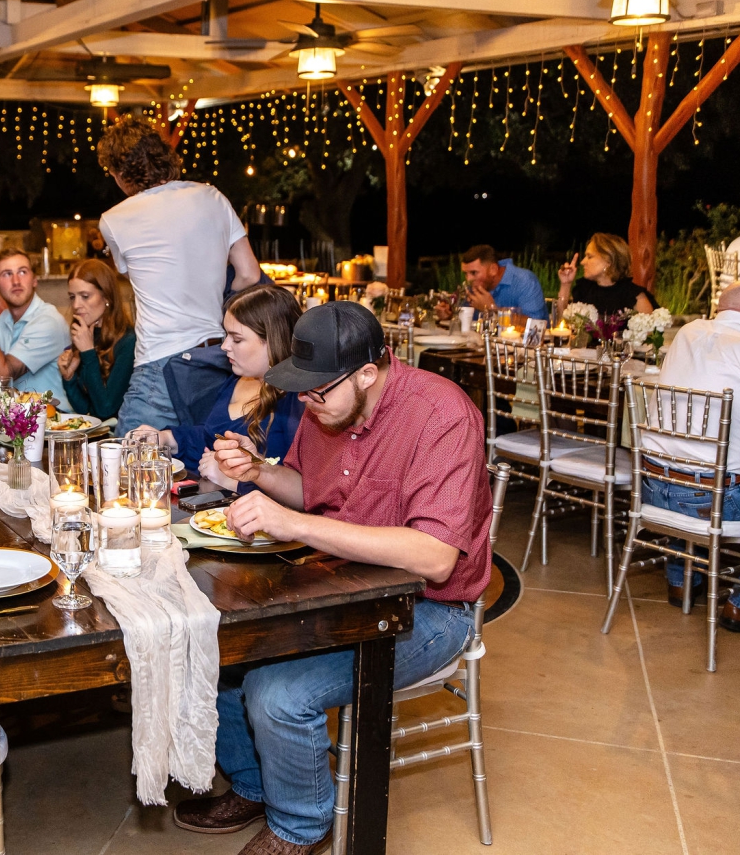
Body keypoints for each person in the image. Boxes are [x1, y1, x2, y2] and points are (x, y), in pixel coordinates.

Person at [176, 301, 492, 855]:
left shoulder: (442, 415)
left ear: (368, 373)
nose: (307, 402)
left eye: (318, 391)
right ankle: (256, 784)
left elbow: (437, 556)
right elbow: (310, 489)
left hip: (431, 609)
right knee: (216, 646)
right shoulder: (331, 405)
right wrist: (258, 474)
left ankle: (301, 826)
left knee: (276, 693)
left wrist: (294, 524)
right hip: (340, 584)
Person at [96, 116, 261, 435]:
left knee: (126, 465)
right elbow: (249, 274)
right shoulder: (212, 195)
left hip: (161, 362)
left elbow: (135, 274)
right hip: (214, 357)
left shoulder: (113, 220)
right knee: (198, 465)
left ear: (120, 173)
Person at [641, 280, 740, 632]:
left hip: (654, 488)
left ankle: (682, 579)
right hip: (714, 500)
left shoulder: (687, 334)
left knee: (699, 466)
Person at [138, 285, 303, 491]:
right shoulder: (237, 380)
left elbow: (302, 489)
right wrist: (167, 439)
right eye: (226, 335)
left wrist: (234, 482)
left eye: (237, 339)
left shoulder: (297, 402)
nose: (224, 346)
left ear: (272, 340)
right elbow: (211, 436)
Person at [0, 249, 73, 408]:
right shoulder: (2, 321)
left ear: (34, 280)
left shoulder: (48, 321)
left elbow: (0, 375)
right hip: (17, 419)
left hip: (56, 421)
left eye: (22, 272)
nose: (16, 281)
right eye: (7, 274)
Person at [58, 259, 135, 420]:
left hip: (121, 438)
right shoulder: (86, 334)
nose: (76, 305)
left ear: (106, 296)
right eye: (72, 297)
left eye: (85, 296)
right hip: (96, 436)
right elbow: (87, 413)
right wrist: (69, 379)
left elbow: (105, 409)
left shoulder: (128, 341)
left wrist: (88, 353)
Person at [555, 232, 657, 321]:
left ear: (608, 261)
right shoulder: (585, 289)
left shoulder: (633, 296)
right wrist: (565, 284)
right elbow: (562, 321)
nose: (582, 262)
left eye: (589, 256)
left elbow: (649, 334)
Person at [458, 244, 547, 321]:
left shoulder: (524, 281)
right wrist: (449, 314)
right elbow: (465, 323)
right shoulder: (476, 286)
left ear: (493, 269)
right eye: (465, 273)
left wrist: (492, 310)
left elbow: (535, 325)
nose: (468, 279)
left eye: (474, 273)